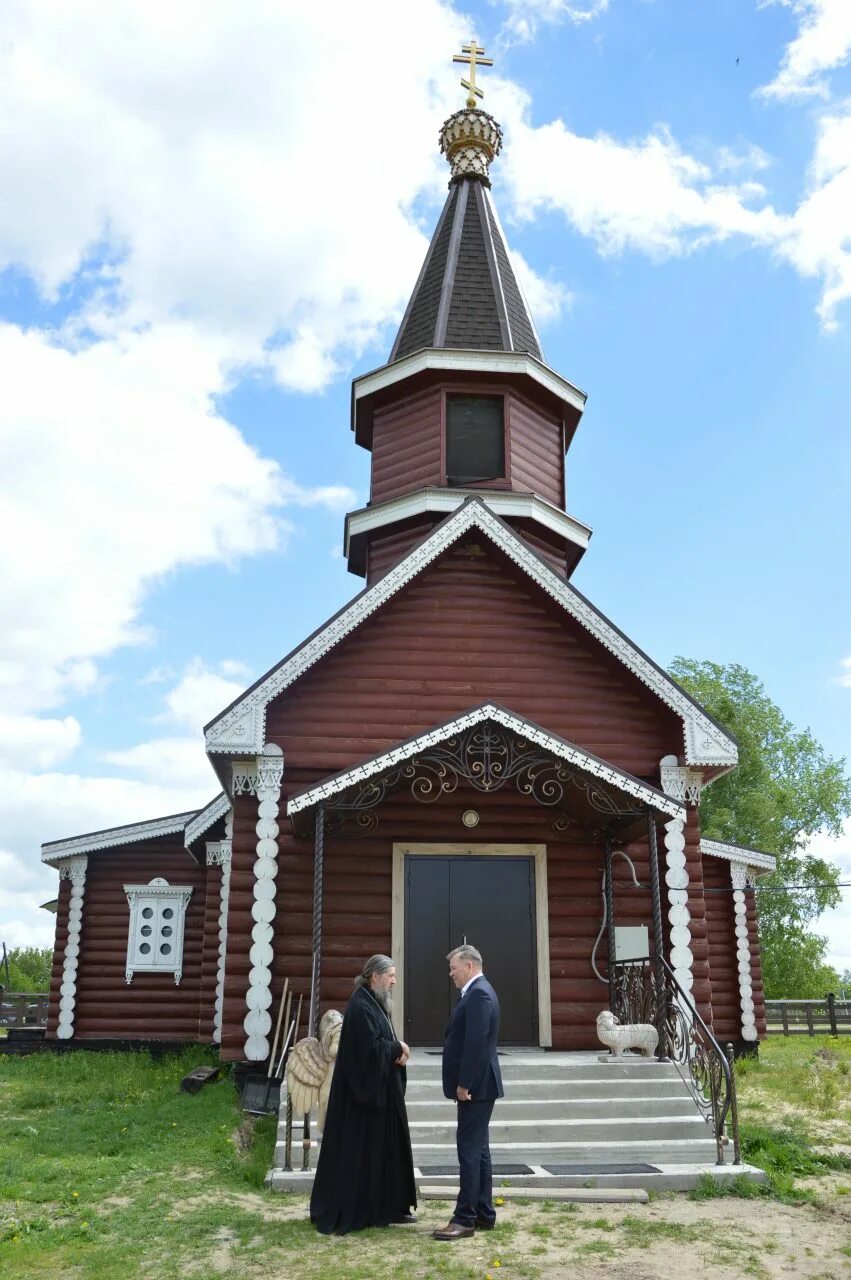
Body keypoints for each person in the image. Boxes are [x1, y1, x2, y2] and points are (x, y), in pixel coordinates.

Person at [309, 954, 417, 1235]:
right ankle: (367, 1209)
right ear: (375, 976)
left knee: (390, 1154)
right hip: (364, 1101)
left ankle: (390, 1206)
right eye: (390, 975)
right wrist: (397, 1049)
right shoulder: (360, 1006)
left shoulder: (375, 1003)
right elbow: (367, 1052)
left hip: (383, 1096)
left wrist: (396, 1048)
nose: (394, 981)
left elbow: (381, 1041)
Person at [433, 944, 504, 1241]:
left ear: (470, 966)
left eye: (454, 968)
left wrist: (464, 1084)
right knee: (480, 1152)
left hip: (476, 1086)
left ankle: (464, 1219)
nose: (450, 974)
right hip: (479, 1084)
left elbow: (476, 1044)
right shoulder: (476, 993)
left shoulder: (479, 995)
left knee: (470, 1152)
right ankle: (484, 1212)